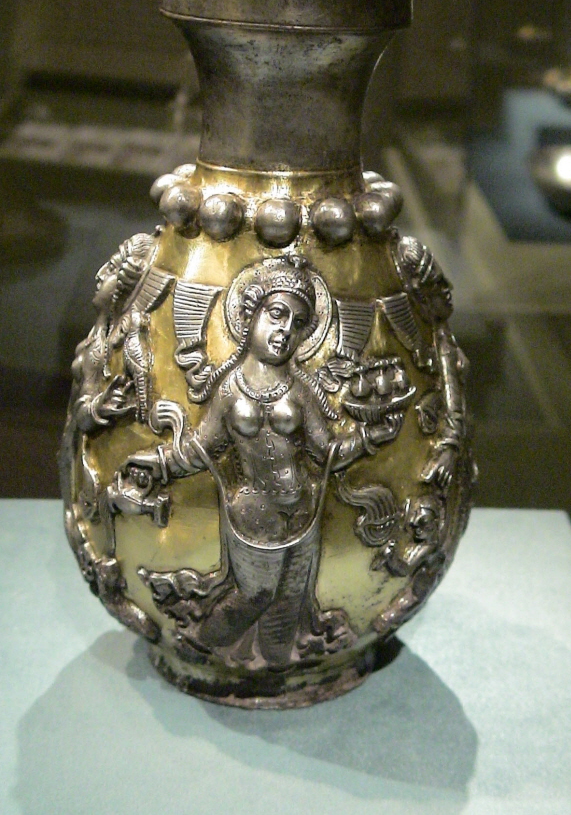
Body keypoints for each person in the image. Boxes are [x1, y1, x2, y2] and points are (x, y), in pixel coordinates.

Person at [122, 256, 404, 668]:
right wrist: (159, 463)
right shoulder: (229, 391)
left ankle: (277, 663)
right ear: (249, 315)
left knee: (288, 606)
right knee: (255, 594)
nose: (285, 330)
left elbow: (326, 453)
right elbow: (202, 448)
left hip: (304, 515)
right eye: (276, 314)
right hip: (252, 517)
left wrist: (367, 438)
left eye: (298, 323)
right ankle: (202, 643)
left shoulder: (301, 391)